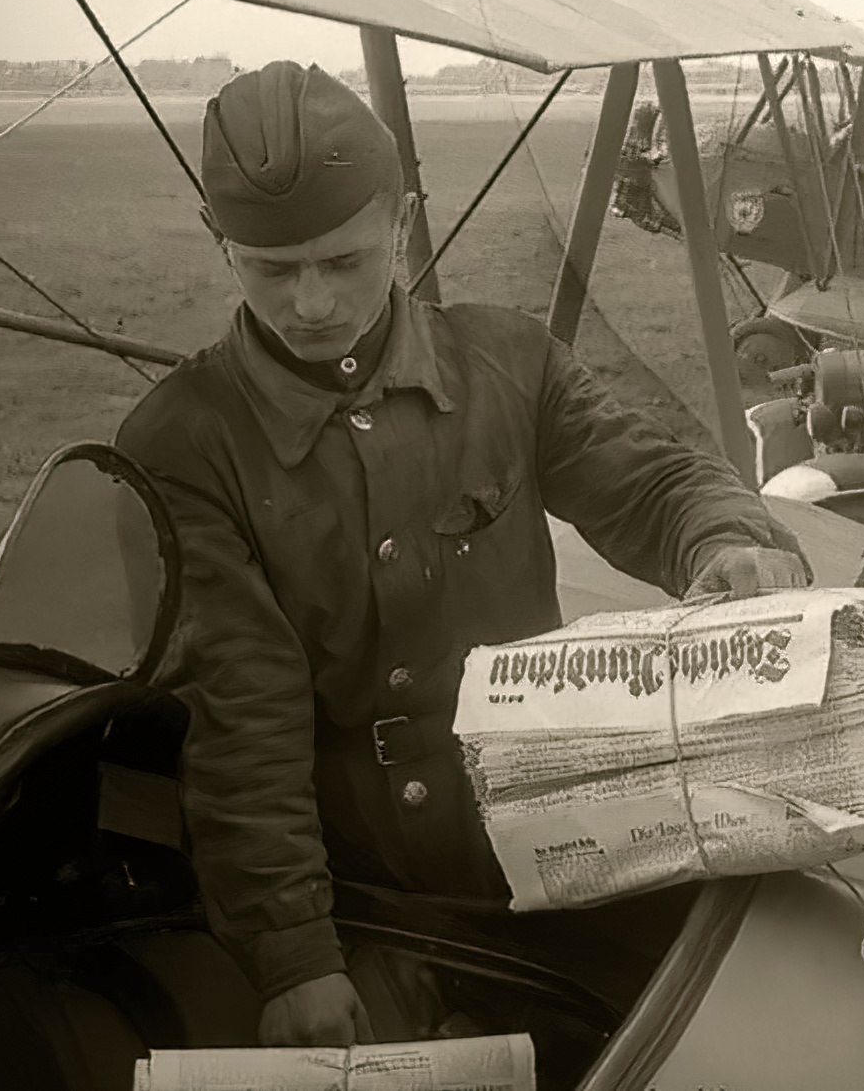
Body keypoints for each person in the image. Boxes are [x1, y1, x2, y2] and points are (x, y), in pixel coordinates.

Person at [116, 61, 811, 1047]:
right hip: (360, 901)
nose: (311, 303)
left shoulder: (509, 366)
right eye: (271, 268)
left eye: (345, 261)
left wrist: (730, 540)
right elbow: (244, 714)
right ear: (218, 243)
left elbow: (652, 482)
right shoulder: (182, 447)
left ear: (401, 225)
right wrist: (293, 957)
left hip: (563, 849)